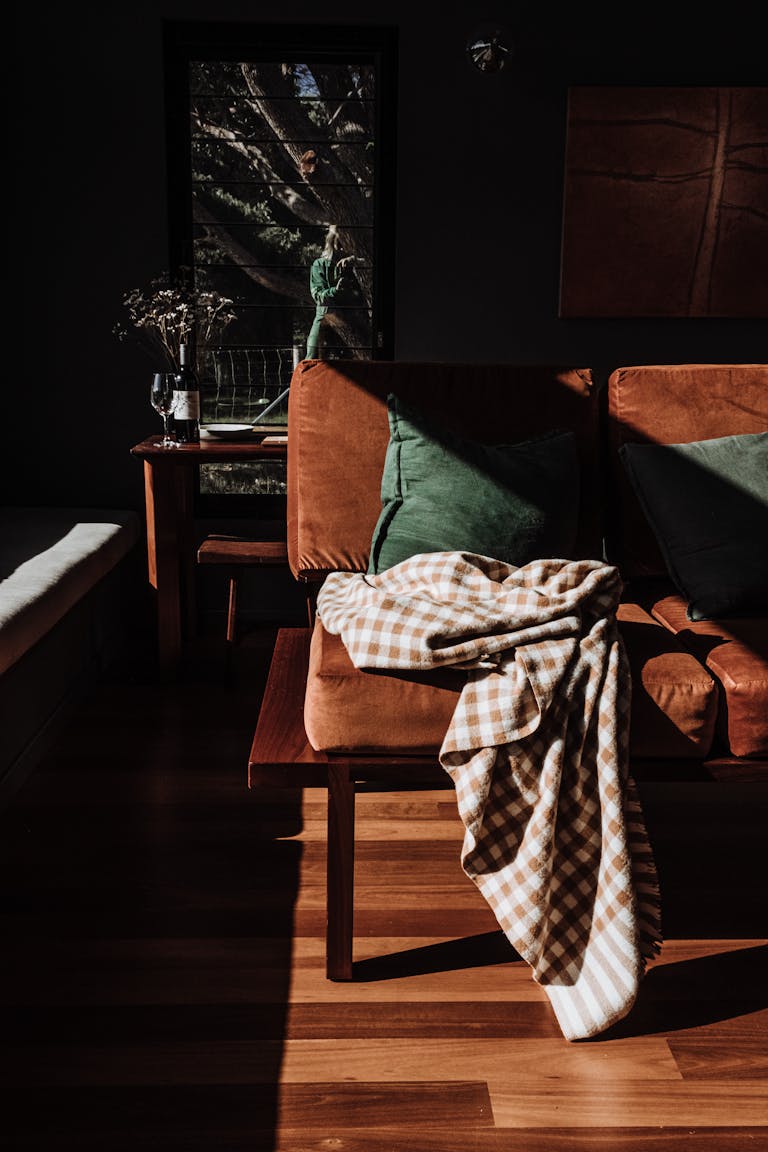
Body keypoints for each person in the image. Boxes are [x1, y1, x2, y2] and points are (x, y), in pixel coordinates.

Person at [306, 226, 356, 359]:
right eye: (339, 243)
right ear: (332, 242)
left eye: (344, 244)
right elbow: (318, 295)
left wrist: (352, 260)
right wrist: (335, 290)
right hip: (325, 316)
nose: (341, 248)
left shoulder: (353, 264)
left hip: (350, 319)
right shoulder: (320, 264)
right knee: (312, 357)